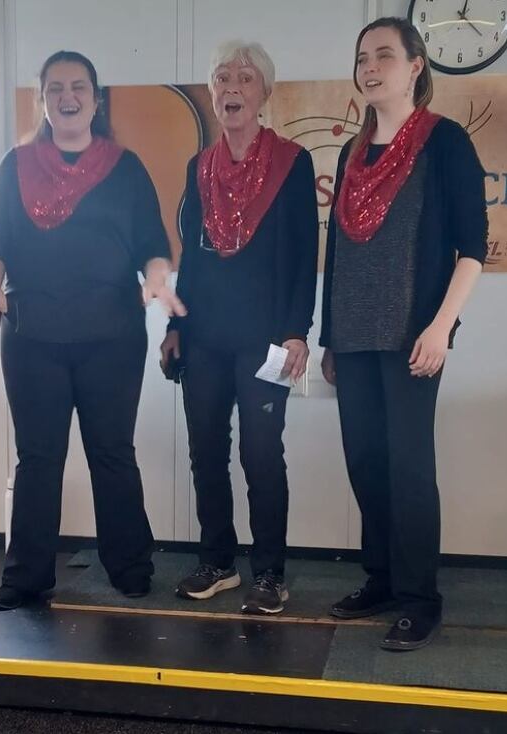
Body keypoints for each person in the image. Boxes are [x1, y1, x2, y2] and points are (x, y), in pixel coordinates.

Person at [0, 50, 184, 611]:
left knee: (112, 453)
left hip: (111, 338)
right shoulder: (15, 165)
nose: (67, 97)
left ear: (96, 98)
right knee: (38, 458)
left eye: (78, 87)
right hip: (33, 337)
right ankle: (26, 576)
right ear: (43, 100)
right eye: (55, 88)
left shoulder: (126, 166)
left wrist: (159, 281)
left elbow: (153, 246)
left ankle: (130, 567)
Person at [320, 17, 487, 651]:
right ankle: (383, 579)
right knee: (366, 462)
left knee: (410, 468)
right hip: (355, 338)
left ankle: (421, 598)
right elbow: (338, 250)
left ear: (416, 66)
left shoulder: (446, 143)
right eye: (363, 56)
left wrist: (442, 327)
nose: (370, 67)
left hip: (414, 336)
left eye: (384, 55)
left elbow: (471, 248)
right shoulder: (351, 150)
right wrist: (331, 335)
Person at [160, 41, 318, 615]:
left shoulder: (293, 163)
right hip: (203, 336)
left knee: (260, 454)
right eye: (223, 77)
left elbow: (306, 255)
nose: (232, 87)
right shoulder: (197, 167)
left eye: (245, 78)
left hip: (266, 340)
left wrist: (297, 331)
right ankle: (217, 562)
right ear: (211, 93)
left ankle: (270, 573)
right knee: (206, 450)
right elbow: (193, 259)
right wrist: (176, 326)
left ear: (263, 94)